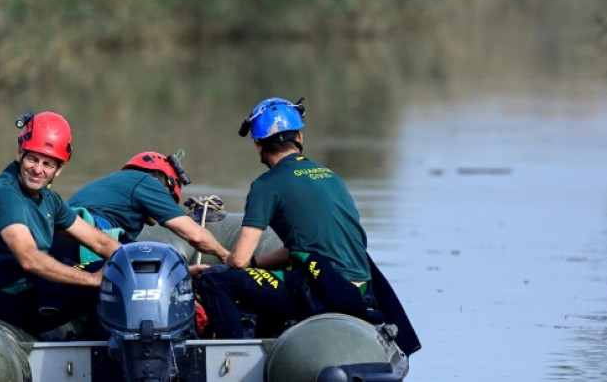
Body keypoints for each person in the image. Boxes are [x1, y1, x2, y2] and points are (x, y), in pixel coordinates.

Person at [194, 97, 420, 355]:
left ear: (258, 146)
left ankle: (230, 361)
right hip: (360, 290)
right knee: (276, 280)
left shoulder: (266, 185)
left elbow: (238, 260)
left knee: (213, 281)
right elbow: (300, 247)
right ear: (299, 137)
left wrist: (228, 259)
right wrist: (256, 265)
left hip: (321, 291)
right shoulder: (329, 176)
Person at [0, 111, 121, 337]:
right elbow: (29, 258)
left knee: (113, 275)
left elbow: (99, 241)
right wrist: (92, 280)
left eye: (48, 164)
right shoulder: (5, 194)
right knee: (109, 288)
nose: (38, 170)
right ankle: (107, 367)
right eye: (33, 159)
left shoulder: (50, 200)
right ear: (20, 154)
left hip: (31, 290)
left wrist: (153, 267)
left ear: (59, 169)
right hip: (2, 299)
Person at [60, 151, 230, 263]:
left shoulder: (112, 184)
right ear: (161, 184)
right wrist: (225, 255)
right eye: (168, 197)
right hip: (89, 239)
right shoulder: (146, 182)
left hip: (61, 241)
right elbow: (195, 235)